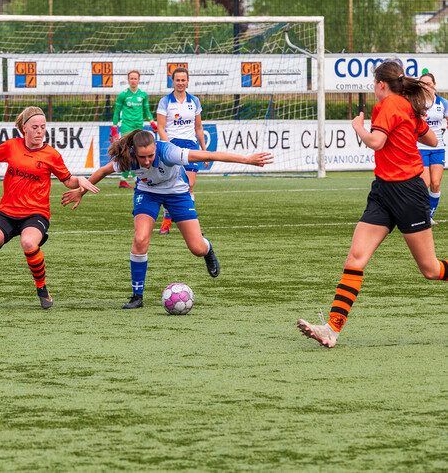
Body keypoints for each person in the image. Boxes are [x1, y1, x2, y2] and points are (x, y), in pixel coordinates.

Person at [297, 61, 445, 348]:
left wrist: (358, 128)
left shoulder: (388, 105)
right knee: (356, 258)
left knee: (430, 270)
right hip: (383, 191)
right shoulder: (405, 105)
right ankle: (331, 329)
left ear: (380, 84)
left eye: (373, 84)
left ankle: (332, 328)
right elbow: (431, 137)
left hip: (408, 192)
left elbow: (376, 142)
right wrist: (410, 126)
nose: (373, 89)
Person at [61, 129, 273, 309]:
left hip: (177, 193)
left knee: (197, 248)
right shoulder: (128, 156)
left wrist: (247, 159)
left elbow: (208, 155)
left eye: (151, 156)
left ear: (156, 149)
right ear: (135, 151)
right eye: (142, 157)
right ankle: (137, 296)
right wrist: (81, 191)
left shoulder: (170, 152)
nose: (146, 161)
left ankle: (208, 248)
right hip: (148, 193)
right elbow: (104, 170)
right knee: (140, 239)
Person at [0, 106, 99, 311]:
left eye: (43, 127)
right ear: (24, 128)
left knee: (28, 242)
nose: (39, 131)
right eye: (35, 127)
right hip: (7, 212)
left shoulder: (51, 155)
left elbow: (68, 181)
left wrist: (80, 180)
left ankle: (42, 289)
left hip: (36, 213)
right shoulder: (12, 146)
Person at [156, 67, 206, 235]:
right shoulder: (165, 101)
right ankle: (167, 220)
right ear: (173, 81)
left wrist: (204, 150)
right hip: (173, 143)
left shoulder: (194, 101)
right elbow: (161, 128)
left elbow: (198, 128)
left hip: (191, 145)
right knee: (172, 184)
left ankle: (192, 224)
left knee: (189, 184)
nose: (180, 83)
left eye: (183, 80)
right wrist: (168, 146)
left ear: (187, 81)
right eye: (178, 80)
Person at [111, 70, 156, 189]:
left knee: (137, 152)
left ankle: (134, 178)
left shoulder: (143, 95)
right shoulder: (123, 94)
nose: (133, 80)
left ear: (139, 80)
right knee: (127, 152)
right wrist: (114, 128)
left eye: (135, 78)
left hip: (138, 127)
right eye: (131, 78)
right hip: (126, 126)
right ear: (128, 80)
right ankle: (125, 179)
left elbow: (147, 111)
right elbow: (116, 112)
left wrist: (152, 123)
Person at [417, 73, 448, 224]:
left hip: (438, 148)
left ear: (434, 85)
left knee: (436, 183)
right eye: (422, 84)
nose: (426, 87)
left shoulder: (443, 103)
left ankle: (429, 215)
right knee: (425, 183)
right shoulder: (416, 103)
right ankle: (421, 214)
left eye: (428, 84)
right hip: (420, 147)